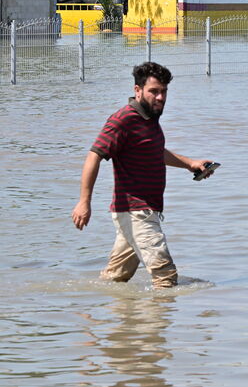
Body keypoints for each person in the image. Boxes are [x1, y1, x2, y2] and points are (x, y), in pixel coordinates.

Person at [71, 62, 215, 288]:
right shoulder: (123, 120)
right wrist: (84, 202)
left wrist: (190, 164)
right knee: (165, 277)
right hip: (137, 212)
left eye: (163, 91)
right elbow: (94, 156)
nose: (160, 97)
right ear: (137, 90)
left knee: (114, 280)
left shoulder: (150, 119)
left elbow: (154, 151)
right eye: (154, 91)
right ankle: (158, 323)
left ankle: (110, 317)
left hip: (139, 211)